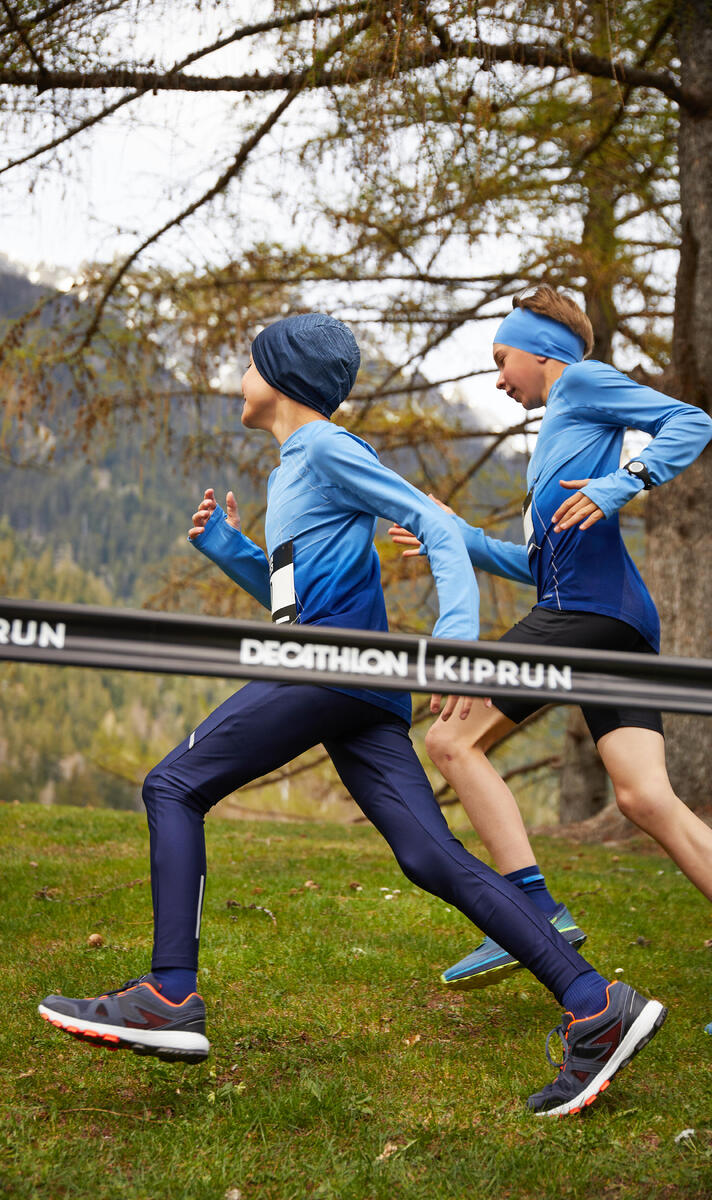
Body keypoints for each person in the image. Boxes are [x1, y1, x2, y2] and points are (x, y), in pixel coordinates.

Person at [39, 312, 667, 1116]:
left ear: (283, 378)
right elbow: (295, 602)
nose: (241, 376)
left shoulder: (327, 448)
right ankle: (594, 1003)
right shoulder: (296, 466)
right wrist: (231, 549)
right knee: (429, 856)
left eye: (250, 362)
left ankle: (168, 996)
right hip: (351, 684)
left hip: (334, 669)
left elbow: (437, 524)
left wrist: (455, 644)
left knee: (173, 785)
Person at [389, 285, 712, 995]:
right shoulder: (557, 436)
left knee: (450, 740)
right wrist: (456, 536)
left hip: (589, 612)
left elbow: (690, 422)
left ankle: (533, 909)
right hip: (614, 618)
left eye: (503, 360)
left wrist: (620, 484)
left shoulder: (584, 383)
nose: (500, 379)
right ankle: (534, 908)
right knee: (645, 799)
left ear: (544, 353)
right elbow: (537, 562)